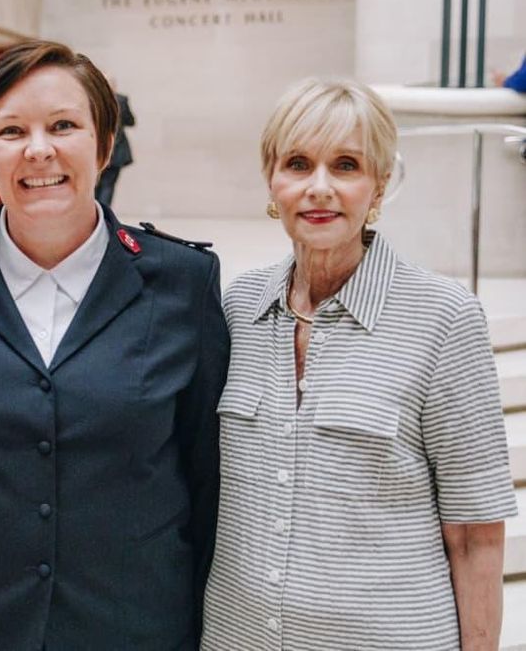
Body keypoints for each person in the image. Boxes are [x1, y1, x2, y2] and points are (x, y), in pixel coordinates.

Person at [0, 40, 229, 650]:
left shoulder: (183, 283)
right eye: (11, 131)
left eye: (63, 126)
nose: (39, 150)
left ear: (105, 146)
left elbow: (205, 478)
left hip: (126, 626)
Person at [201, 77, 517, 649]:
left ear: (379, 185)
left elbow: (476, 535)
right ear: (272, 180)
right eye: (298, 163)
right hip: (236, 636)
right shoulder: (238, 307)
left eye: (346, 166)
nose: (319, 188)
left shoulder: (445, 318)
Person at [94, 82, 135, 206]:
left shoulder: (93, 100)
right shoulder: (120, 100)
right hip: (114, 152)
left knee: (97, 185)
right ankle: (103, 214)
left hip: (102, 151)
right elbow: (131, 121)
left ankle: (99, 213)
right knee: (107, 186)